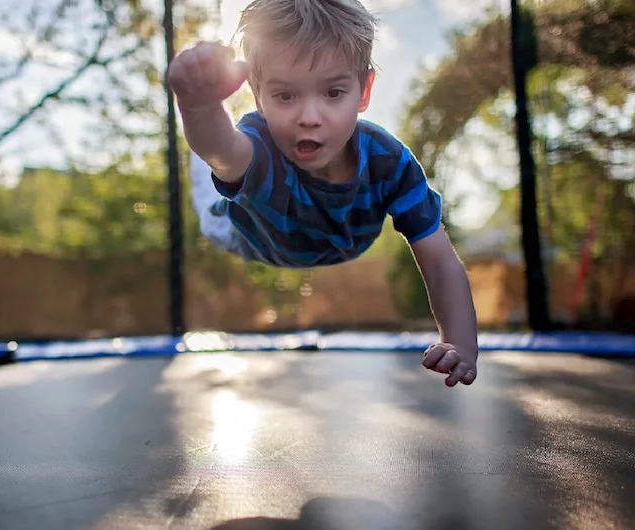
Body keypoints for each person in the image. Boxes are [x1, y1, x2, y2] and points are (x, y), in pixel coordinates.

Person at [168, 0, 479, 387]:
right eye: (285, 96)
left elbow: (439, 261)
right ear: (258, 94)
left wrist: (460, 343)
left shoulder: (389, 162)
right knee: (212, 156)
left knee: (218, 152)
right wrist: (198, 106)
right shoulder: (260, 146)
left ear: (363, 91)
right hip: (239, 231)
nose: (310, 116)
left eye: (333, 92)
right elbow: (225, 152)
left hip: (326, 239)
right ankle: (206, 128)